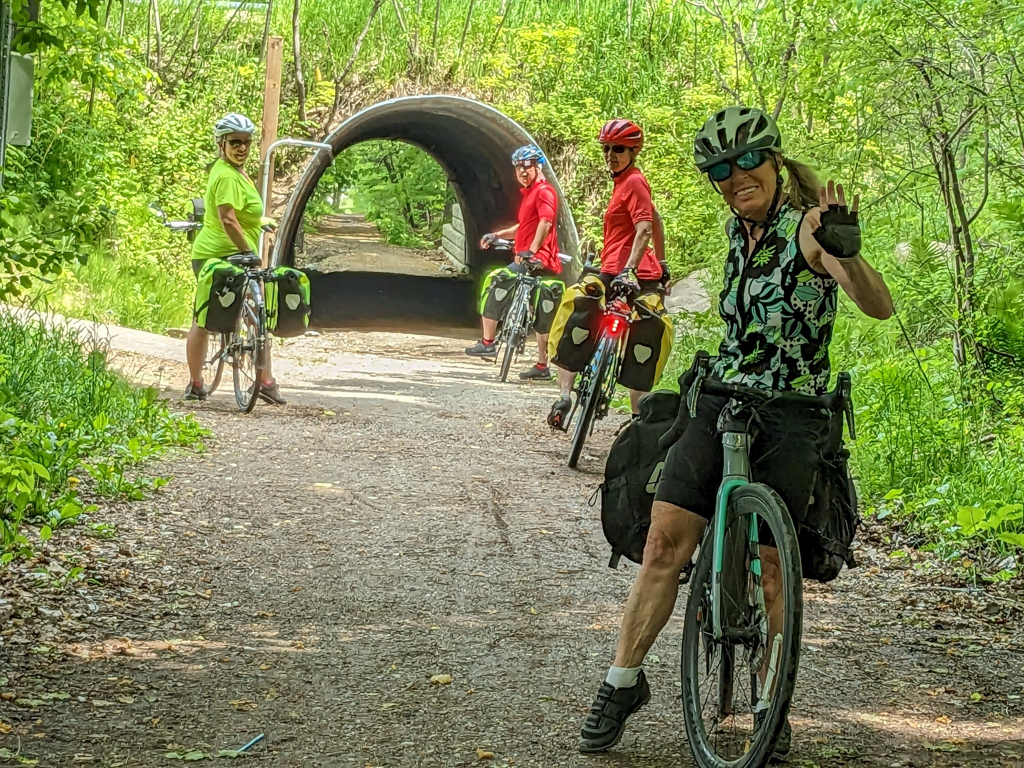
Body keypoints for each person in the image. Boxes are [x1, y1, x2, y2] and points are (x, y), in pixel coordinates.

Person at [577, 106, 893, 755]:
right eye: (718, 168)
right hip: (722, 396)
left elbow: (876, 305)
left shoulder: (808, 227)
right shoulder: (732, 229)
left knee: (775, 569)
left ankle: (770, 705)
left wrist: (849, 256)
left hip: (792, 409)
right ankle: (622, 679)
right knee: (665, 541)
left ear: (773, 160)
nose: (733, 176)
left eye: (745, 161)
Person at [547, 119, 671, 428]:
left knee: (641, 326)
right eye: (606, 149)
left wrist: (630, 269)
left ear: (633, 151)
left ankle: (630, 416)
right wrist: (664, 263)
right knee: (582, 305)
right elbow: (655, 220)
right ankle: (574, 399)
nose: (610, 155)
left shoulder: (634, 183)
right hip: (617, 270)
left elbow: (644, 228)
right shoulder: (627, 183)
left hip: (629, 273)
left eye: (618, 149)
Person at [185, 113, 285, 404]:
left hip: (236, 251)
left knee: (257, 312)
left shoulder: (235, 171)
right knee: (204, 317)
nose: (242, 148)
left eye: (246, 143)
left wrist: (260, 220)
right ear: (221, 143)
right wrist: (249, 252)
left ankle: (264, 379)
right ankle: (195, 382)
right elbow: (228, 220)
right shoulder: (227, 175)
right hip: (215, 255)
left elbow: (242, 213)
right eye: (235, 142)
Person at [465, 145, 563, 380]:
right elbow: (524, 227)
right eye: (518, 167)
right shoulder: (531, 194)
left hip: (538, 259)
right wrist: (497, 235)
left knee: (497, 282)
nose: (522, 171)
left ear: (538, 166)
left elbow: (546, 223)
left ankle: (488, 342)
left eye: (526, 166)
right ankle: (541, 366)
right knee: (541, 310)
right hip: (532, 257)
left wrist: (532, 250)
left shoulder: (544, 192)